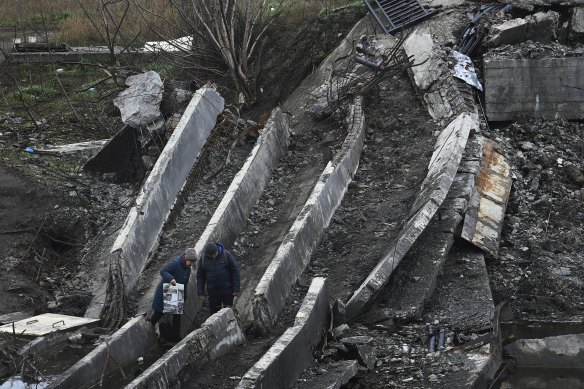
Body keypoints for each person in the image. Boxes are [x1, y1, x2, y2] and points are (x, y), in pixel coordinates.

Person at [149, 248, 197, 340]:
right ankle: (149, 329)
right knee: (159, 312)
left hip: (177, 292)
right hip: (165, 291)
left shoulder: (188, 269)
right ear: (186, 258)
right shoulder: (176, 263)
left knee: (177, 315)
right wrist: (171, 279)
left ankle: (176, 337)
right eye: (191, 262)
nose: (192, 264)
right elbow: (163, 271)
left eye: (193, 262)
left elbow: (185, 284)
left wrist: (184, 298)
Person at [197, 242, 240, 314]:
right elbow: (200, 276)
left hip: (227, 291)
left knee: (229, 312)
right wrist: (200, 291)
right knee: (214, 314)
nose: (213, 256)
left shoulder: (226, 255)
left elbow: (235, 271)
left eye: (215, 253)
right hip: (213, 293)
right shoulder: (203, 259)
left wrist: (236, 288)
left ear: (217, 250)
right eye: (211, 255)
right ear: (208, 254)